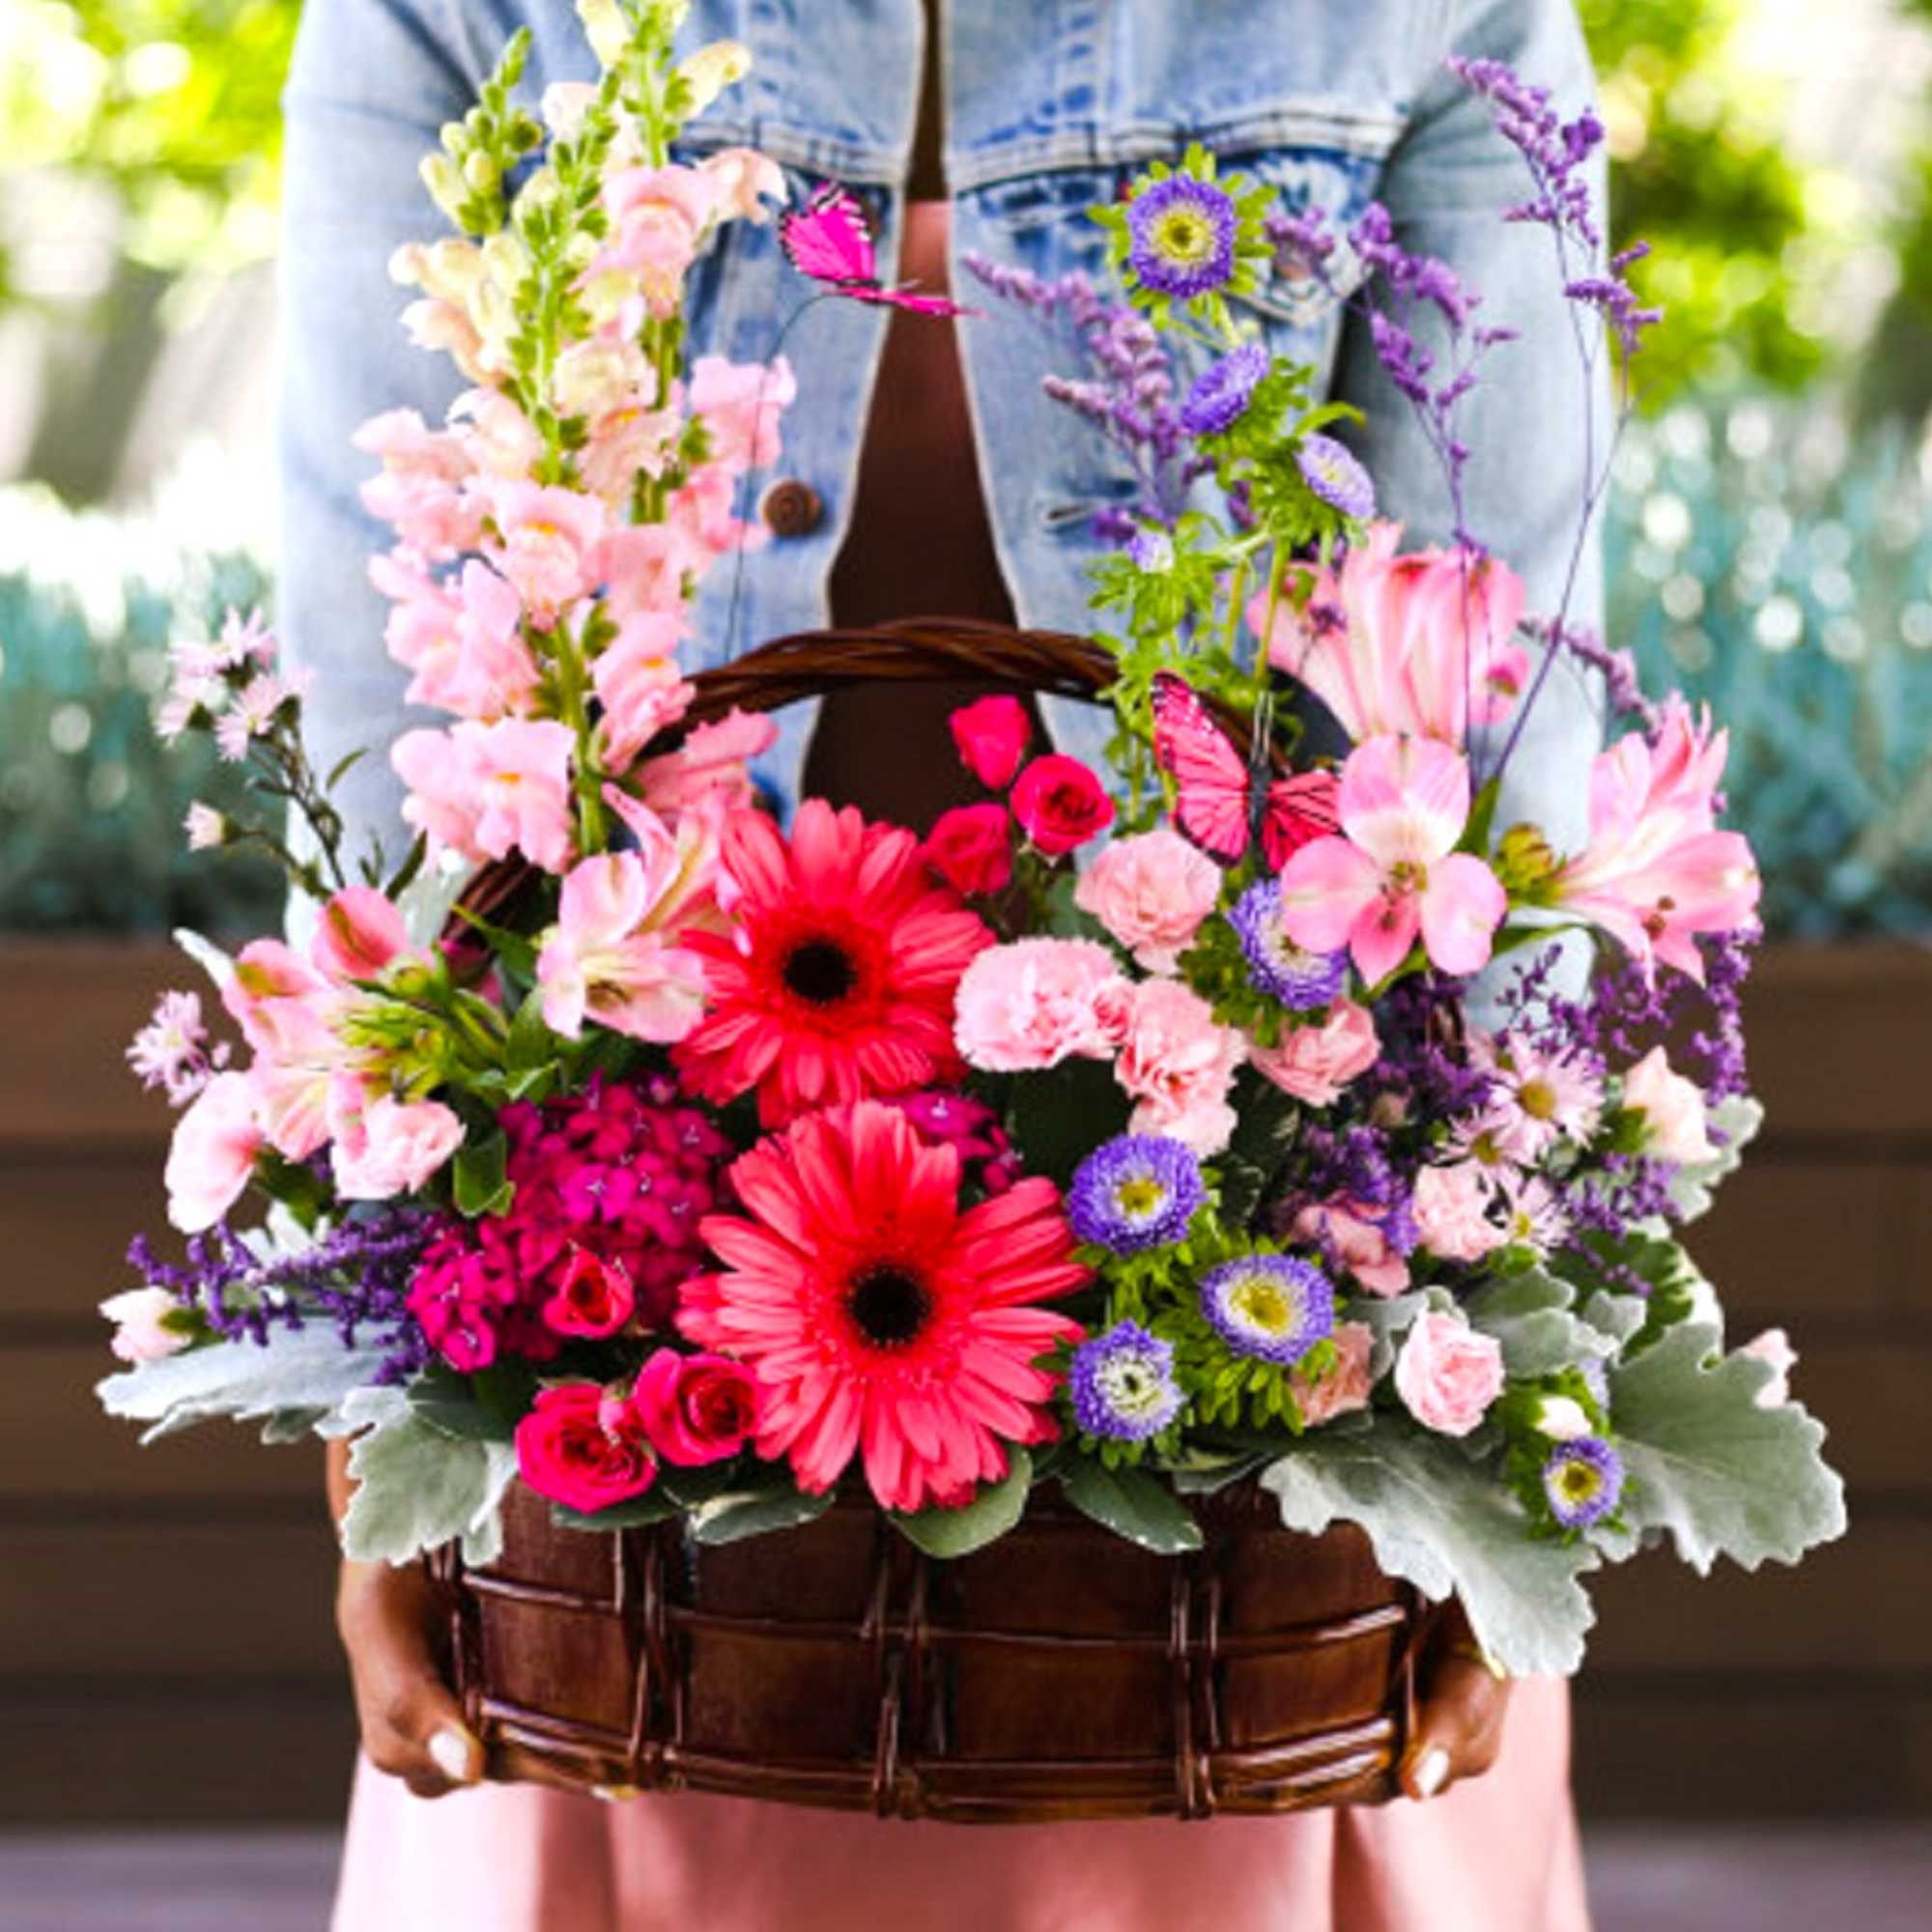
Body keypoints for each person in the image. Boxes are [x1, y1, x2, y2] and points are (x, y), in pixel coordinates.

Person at [284, 2, 1605, 1926]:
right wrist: (375, 1412)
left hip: (1246, 1425)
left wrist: (1501, 1467)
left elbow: (1489, 719)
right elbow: (394, 731)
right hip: (644, 1425)